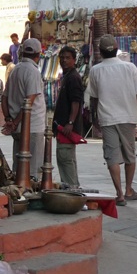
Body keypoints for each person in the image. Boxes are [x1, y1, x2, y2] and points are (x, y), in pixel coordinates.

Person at [86, 35, 137, 205]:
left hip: (107, 118)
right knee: (130, 154)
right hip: (128, 117)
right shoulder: (129, 67)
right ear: (116, 49)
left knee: (112, 156)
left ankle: (120, 193)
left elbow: (93, 97)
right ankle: (129, 189)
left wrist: (94, 116)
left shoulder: (95, 70)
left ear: (100, 52)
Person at [1, 38, 46, 180]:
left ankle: (19, 193)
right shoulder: (33, 72)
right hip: (32, 126)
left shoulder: (15, 70)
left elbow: (4, 97)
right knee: (31, 170)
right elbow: (29, 102)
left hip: (19, 127)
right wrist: (14, 122)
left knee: (19, 166)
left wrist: (9, 118)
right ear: (38, 55)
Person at [52, 45, 84, 188]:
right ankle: (72, 187)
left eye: (67, 58)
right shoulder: (68, 76)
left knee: (65, 159)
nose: (64, 61)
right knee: (66, 159)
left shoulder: (73, 78)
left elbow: (76, 102)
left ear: (73, 60)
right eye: (62, 58)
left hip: (67, 128)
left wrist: (70, 122)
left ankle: (71, 189)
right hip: (63, 128)